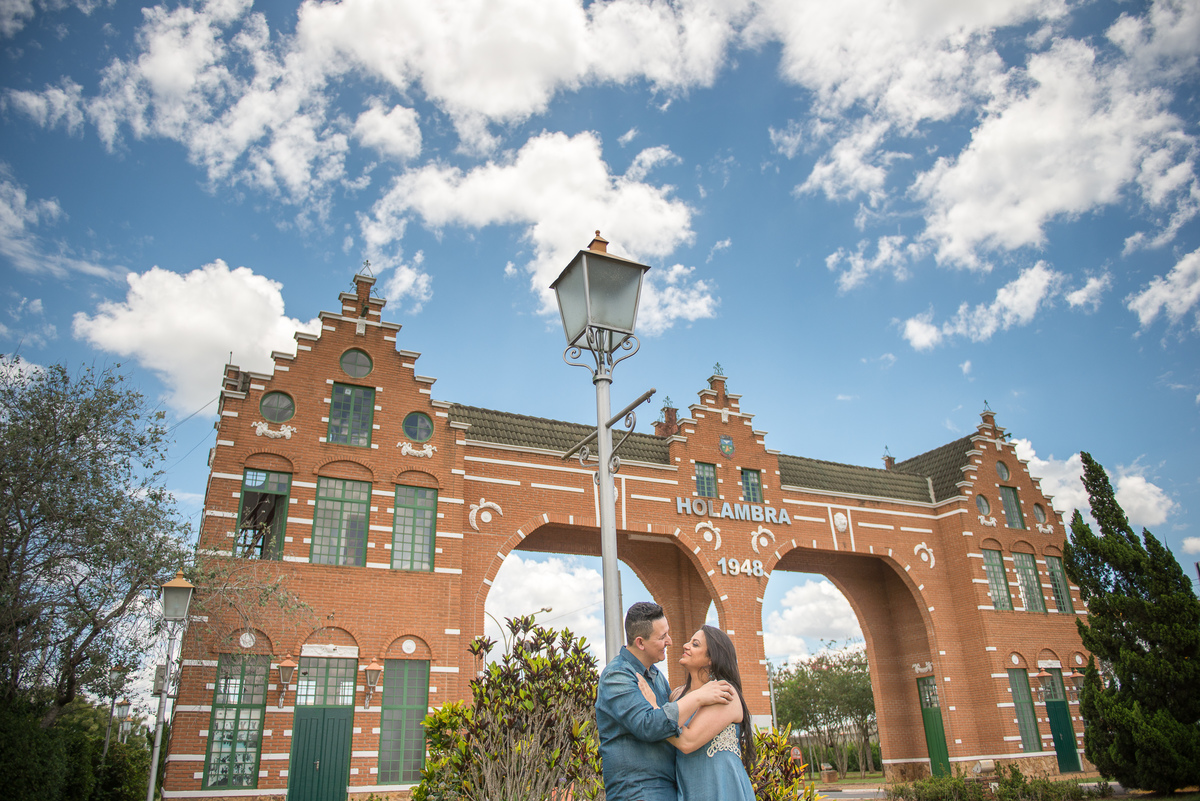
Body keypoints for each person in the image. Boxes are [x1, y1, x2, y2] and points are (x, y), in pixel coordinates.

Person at [595, 602, 736, 801]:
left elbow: (674, 723)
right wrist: (699, 696)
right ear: (641, 642)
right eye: (662, 637)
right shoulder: (617, 676)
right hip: (638, 791)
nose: (670, 641)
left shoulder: (658, 677)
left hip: (671, 789)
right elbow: (649, 725)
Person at [639, 624, 756, 801]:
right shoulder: (676, 696)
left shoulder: (725, 693)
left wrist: (655, 710)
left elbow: (687, 742)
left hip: (723, 788)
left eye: (695, 644)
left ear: (711, 658)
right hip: (689, 789)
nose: (685, 645)